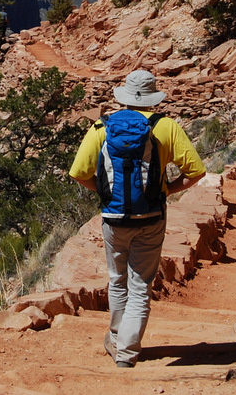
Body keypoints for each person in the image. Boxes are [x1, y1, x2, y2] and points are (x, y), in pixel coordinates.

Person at [69, 70, 206, 368]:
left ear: (125, 97)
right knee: (141, 285)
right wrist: (166, 190)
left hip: (114, 218)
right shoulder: (166, 127)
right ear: (152, 97)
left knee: (118, 281)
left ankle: (117, 340)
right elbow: (196, 172)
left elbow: (79, 173)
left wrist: (104, 194)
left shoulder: (101, 127)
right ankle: (127, 353)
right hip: (152, 216)